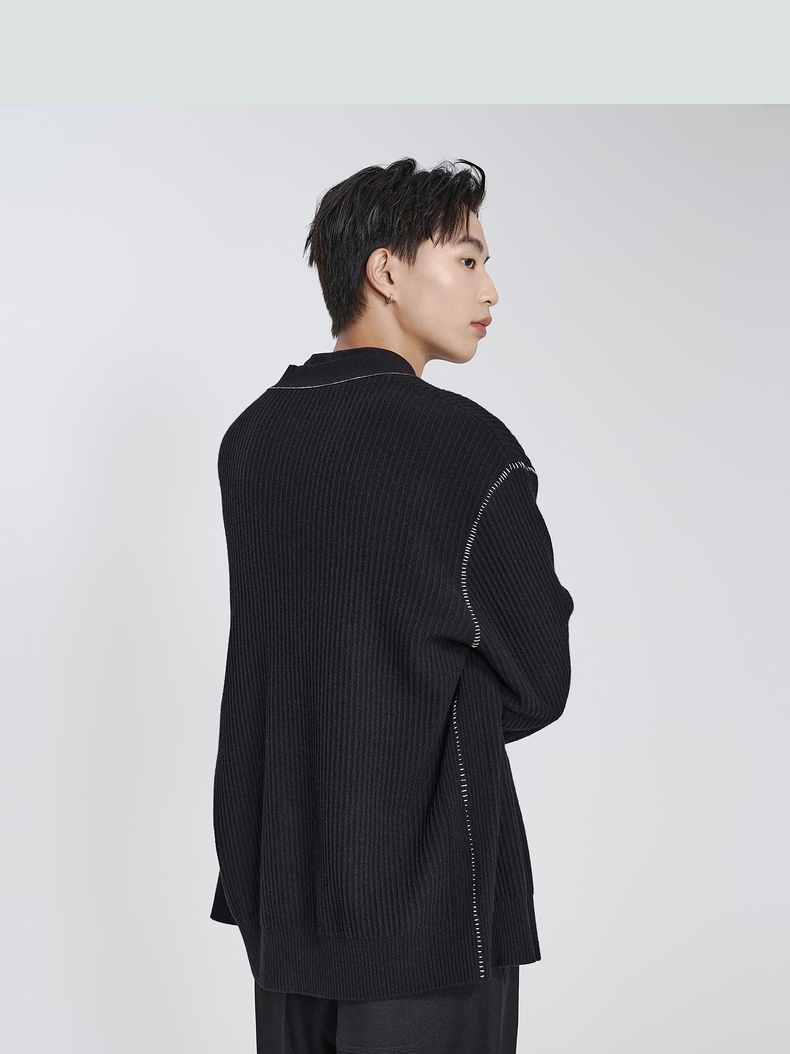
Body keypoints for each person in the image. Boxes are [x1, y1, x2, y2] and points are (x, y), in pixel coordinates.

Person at [210, 157, 575, 1054]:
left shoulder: (252, 441)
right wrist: (425, 709)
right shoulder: (467, 451)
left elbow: (291, 659)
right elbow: (541, 681)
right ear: (385, 270)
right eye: (467, 259)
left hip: (284, 890)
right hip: (434, 909)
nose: (491, 289)